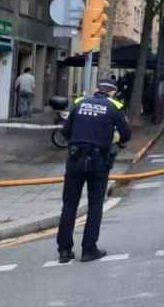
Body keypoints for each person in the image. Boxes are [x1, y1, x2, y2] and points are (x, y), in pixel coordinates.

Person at [56, 79, 131, 263]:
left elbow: (65, 132)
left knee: (69, 205)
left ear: (96, 90)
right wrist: (114, 142)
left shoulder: (79, 103)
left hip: (75, 159)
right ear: (113, 92)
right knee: (95, 205)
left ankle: (64, 251)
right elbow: (126, 134)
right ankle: (89, 249)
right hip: (98, 160)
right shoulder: (114, 107)